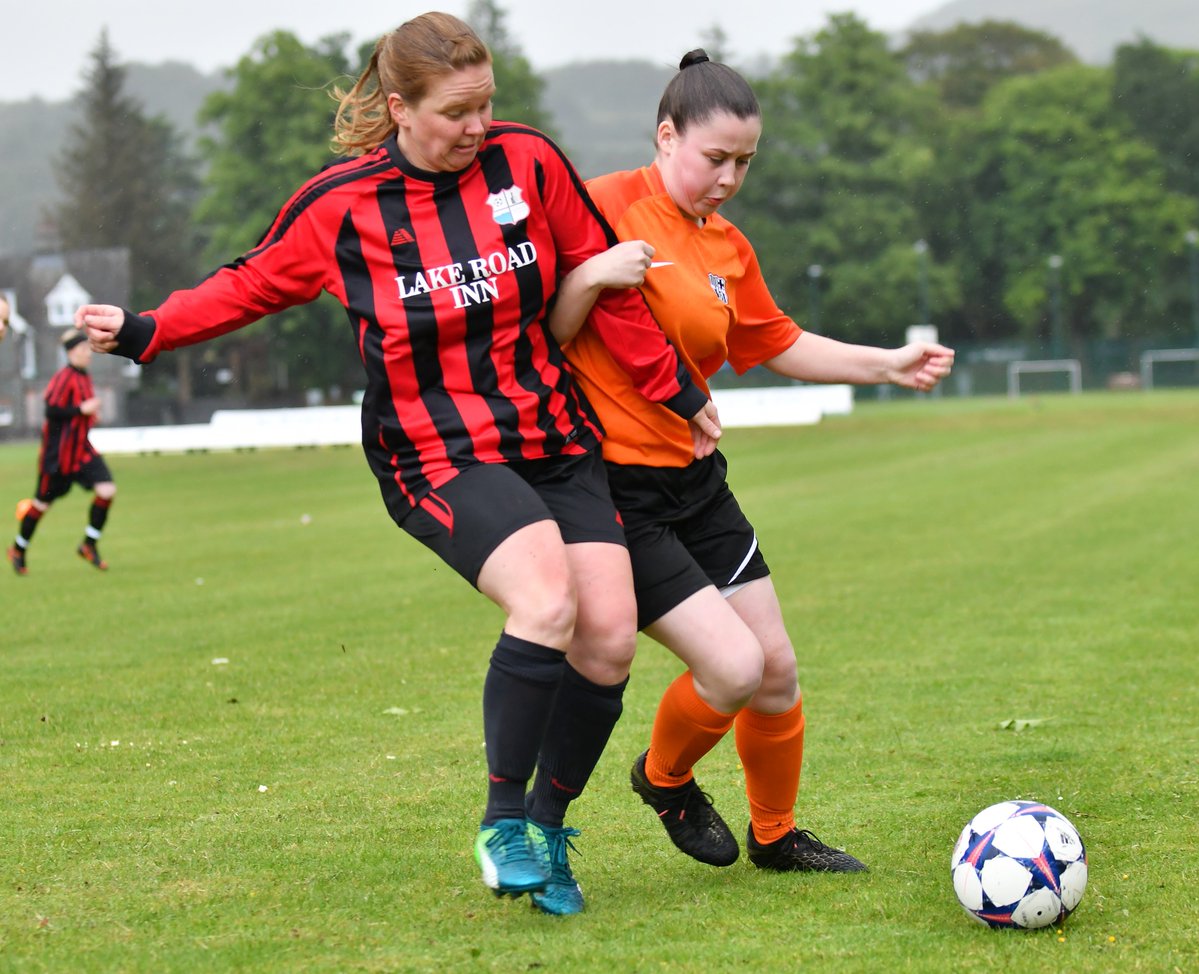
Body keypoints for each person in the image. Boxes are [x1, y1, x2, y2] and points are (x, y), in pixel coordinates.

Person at [75, 13, 721, 917]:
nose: (476, 126)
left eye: (486, 105)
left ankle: (546, 830)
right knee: (546, 600)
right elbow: (251, 283)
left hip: (553, 438)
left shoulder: (529, 163)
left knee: (609, 638)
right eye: (457, 111)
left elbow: (600, 279)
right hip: (436, 450)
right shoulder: (343, 204)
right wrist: (145, 330)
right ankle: (501, 827)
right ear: (399, 108)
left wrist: (679, 392)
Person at [550, 50, 955, 875]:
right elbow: (543, 333)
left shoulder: (727, 246)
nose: (730, 177)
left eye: (745, 162)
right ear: (666, 136)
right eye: (715, 158)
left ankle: (775, 836)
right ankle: (664, 780)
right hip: (618, 492)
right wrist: (592, 272)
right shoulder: (599, 206)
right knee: (731, 668)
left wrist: (888, 362)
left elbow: (777, 342)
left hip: (697, 484)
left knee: (776, 672)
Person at [8, 328, 117, 575]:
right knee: (41, 504)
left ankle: (88, 544)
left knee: (107, 489)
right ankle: (18, 548)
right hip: (58, 456)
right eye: (83, 350)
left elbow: (81, 412)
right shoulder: (64, 377)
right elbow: (51, 411)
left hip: (82, 451)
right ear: (71, 353)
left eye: (88, 349)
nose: (88, 354)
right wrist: (81, 409)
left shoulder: (84, 376)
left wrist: (89, 414)